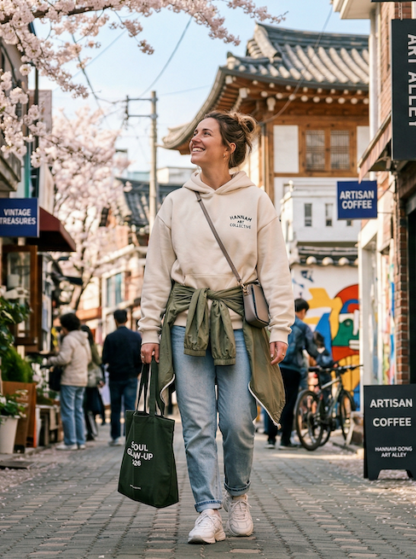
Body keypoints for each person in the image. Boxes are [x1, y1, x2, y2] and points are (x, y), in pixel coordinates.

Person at [139, 111, 294, 544]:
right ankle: (208, 511)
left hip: (240, 325)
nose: (195, 138)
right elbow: (157, 272)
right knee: (197, 423)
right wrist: (149, 330)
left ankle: (238, 496)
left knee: (239, 421)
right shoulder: (174, 203)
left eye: (205, 133)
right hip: (185, 324)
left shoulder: (256, 200)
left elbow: (275, 268)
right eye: (195, 133)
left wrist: (281, 326)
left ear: (228, 147)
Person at [267, 298, 321, 449]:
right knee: (289, 404)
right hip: (292, 369)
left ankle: (271, 439)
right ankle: (285, 440)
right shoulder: (303, 326)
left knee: (272, 401)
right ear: (303, 311)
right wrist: (322, 360)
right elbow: (311, 348)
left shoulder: (278, 322)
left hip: (274, 367)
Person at [44, 313, 90, 450]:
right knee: (78, 411)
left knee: (68, 411)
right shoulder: (84, 339)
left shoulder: (69, 339)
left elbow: (64, 359)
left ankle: (70, 442)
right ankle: (80, 441)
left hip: (70, 379)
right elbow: (88, 358)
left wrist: (50, 361)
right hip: (82, 379)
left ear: (66, 327)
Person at [101, 309, 142, 446]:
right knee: (130, 407)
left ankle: (115, 437)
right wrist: (137, 371)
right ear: (127, 318)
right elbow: (140, 358)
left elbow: (104, 358)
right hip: (131, 376)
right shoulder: (136, 337)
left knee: (115, 407)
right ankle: (129, 436)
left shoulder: (110, 337)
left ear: (114, 320)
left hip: (115, 376)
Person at [81, 325, 105, 441]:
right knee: (90, 406)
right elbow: (99, 361)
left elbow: (98, 361)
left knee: (86, 407)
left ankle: (90, 431)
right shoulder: (91, 345)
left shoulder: (83, 345)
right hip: (90, 379)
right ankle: (91, 431)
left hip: (86, 378)